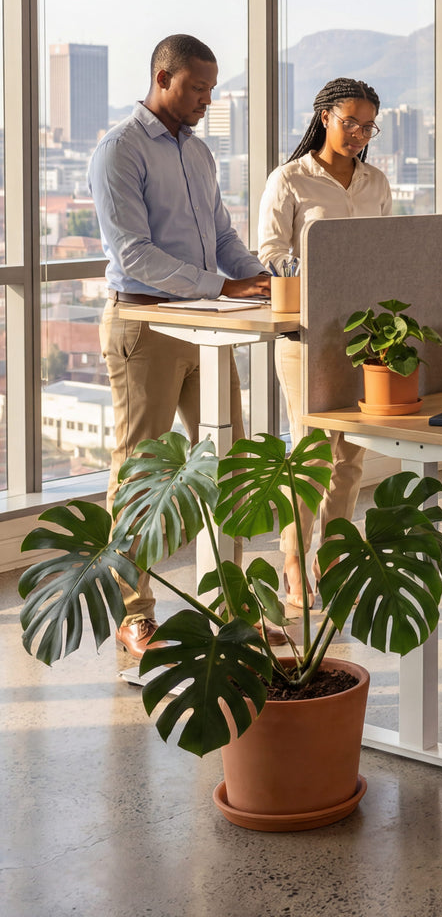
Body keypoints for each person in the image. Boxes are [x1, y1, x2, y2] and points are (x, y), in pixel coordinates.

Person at [90, 34, 270, 659]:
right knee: (140, 471)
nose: (207, 100)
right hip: (147, 327)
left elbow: (222, 236)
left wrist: (260, 277)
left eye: (212, 89)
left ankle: (233, 607)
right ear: (163, 78)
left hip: (208, 328)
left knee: (234, 461)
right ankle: (134, 613)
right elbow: (132, 254)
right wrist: (222, 285)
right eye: (197, 88)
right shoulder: (120, 150)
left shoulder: (200, 154)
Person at [258, 78, 392, 605]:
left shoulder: (375, 182)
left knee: (351, 454)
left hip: (363, 333)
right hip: (306, 333)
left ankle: (333, 554)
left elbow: (386, 249)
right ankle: (293, 558)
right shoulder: (290, 179)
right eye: (350, 122)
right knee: (313, 452)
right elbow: (269, 253)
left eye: (368, 125)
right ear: (324, 116)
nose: (359, 133)